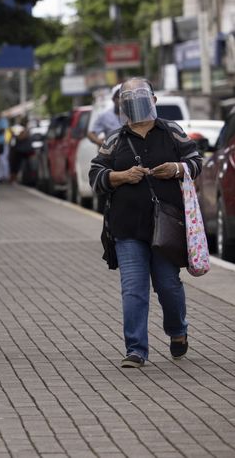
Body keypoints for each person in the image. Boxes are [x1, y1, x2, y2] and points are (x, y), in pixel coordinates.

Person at [89, 78, 202, 368]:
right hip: (127, 227)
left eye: (143, 96)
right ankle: (136, 349)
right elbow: (96, 175)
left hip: (166, 226)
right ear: (122, 106)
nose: (137, 102)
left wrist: (177, 169)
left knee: (168, 285)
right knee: (133, 289)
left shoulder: (171, 131)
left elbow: (196, 161)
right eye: (130, 98)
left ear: (153, 100)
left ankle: (177, 331)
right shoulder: (115, 139)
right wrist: (122, 176)